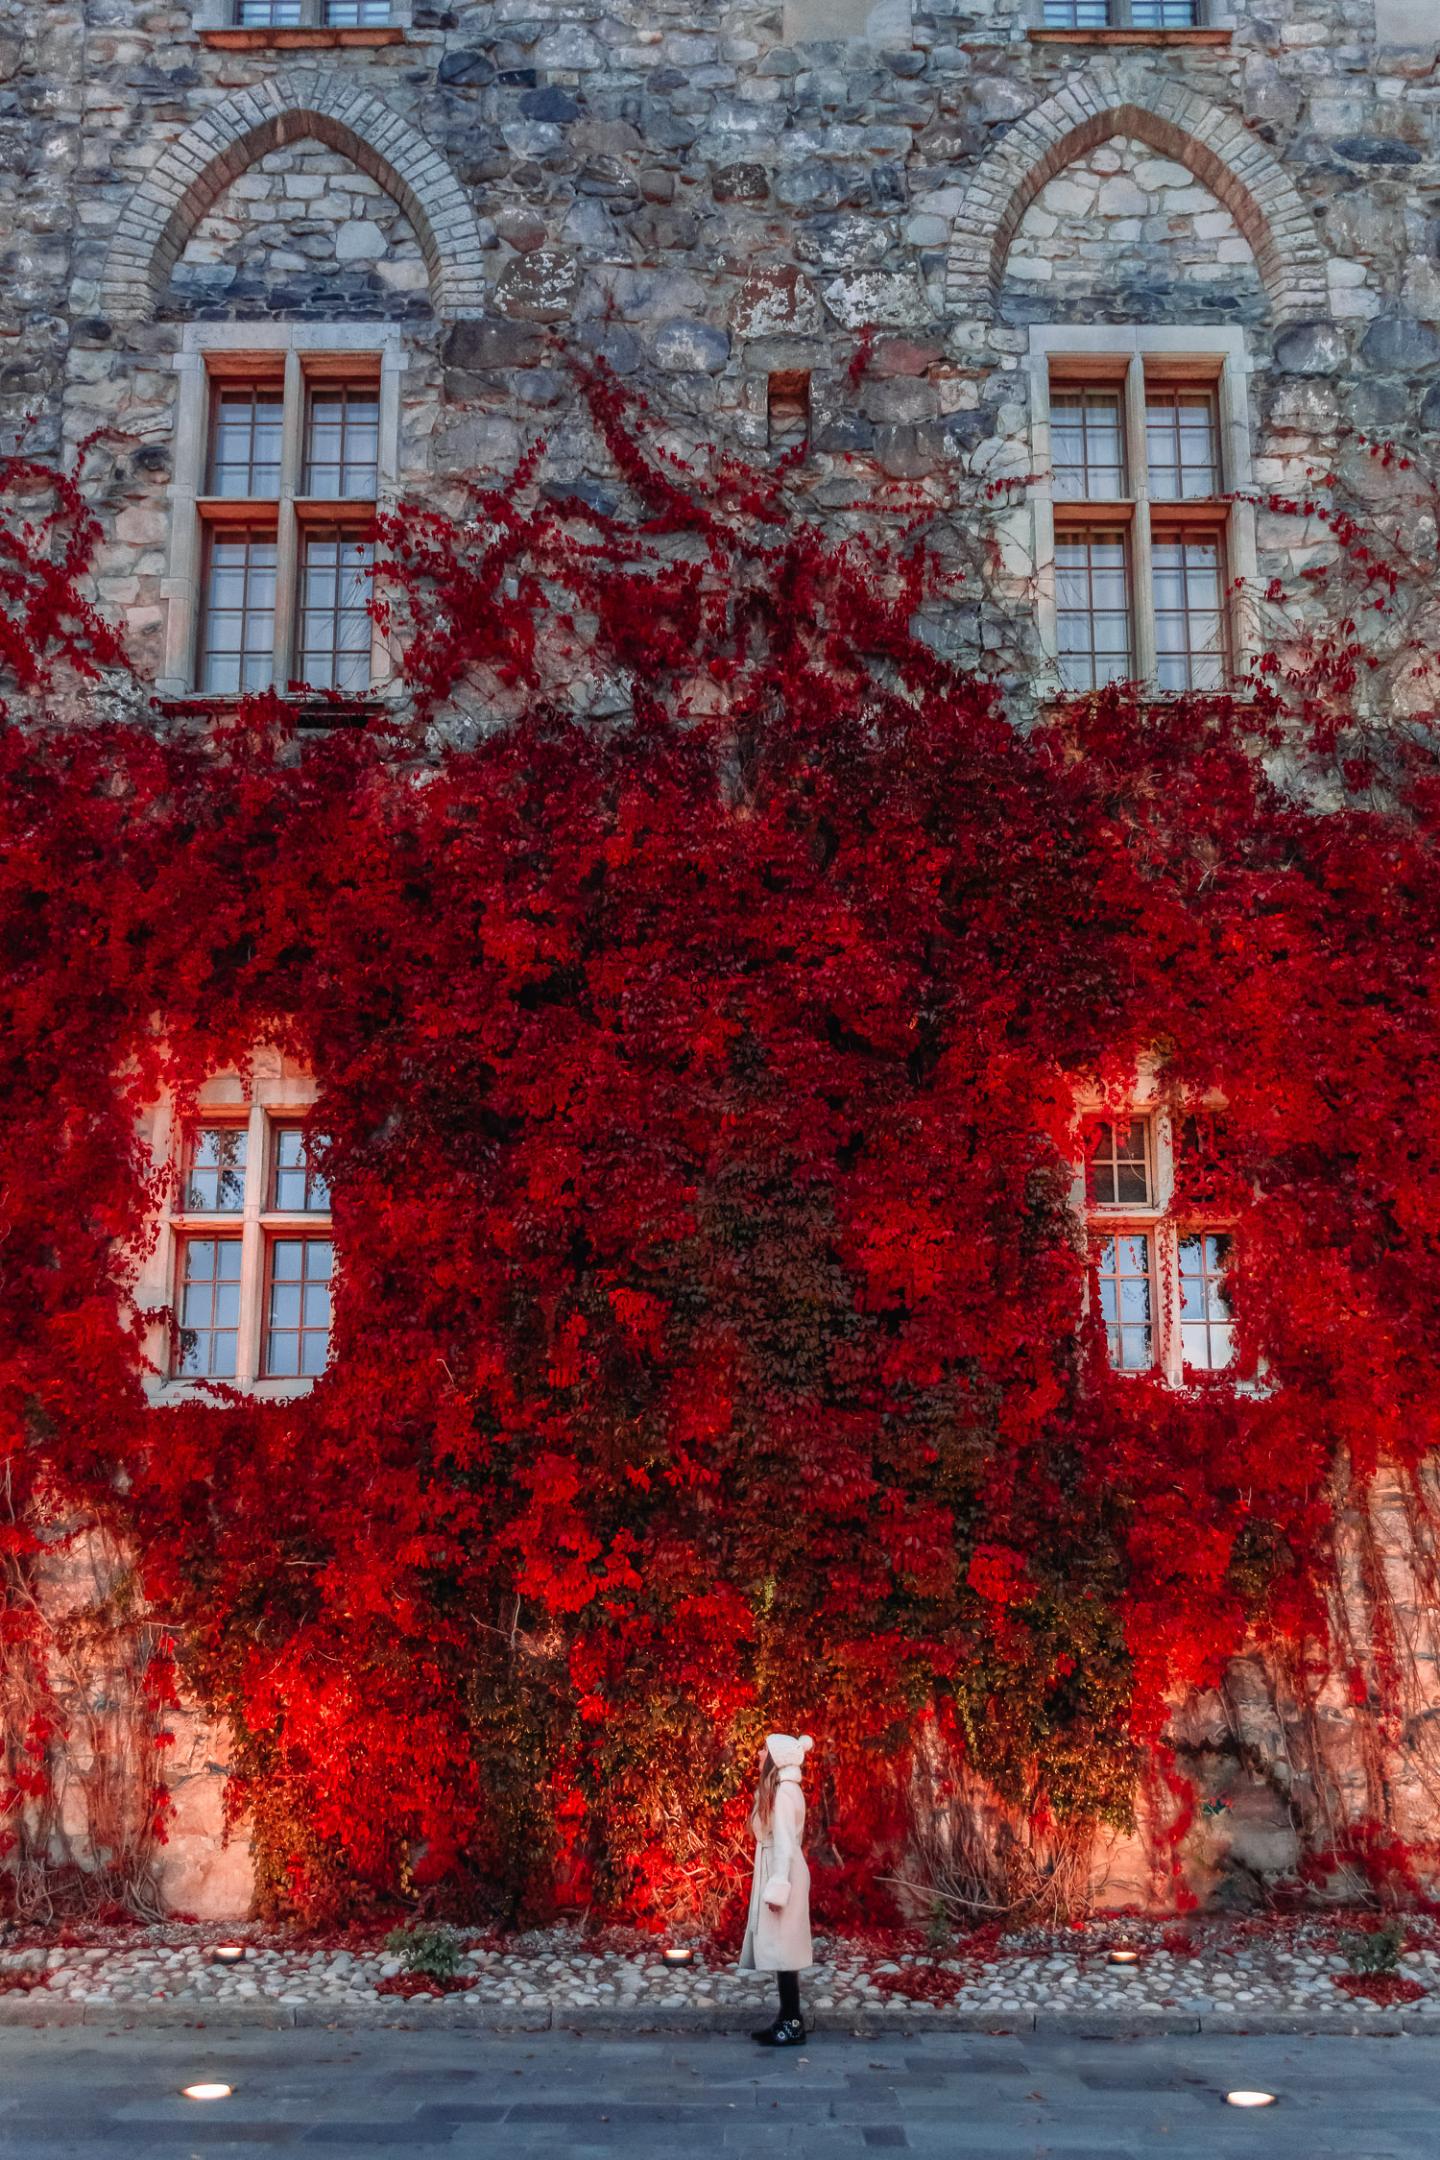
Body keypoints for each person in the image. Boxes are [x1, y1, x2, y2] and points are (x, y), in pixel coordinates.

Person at [738, 1731, 814, 2046]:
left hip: (782, 1870)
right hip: (781, 1867)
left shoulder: (784, 1793)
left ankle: (792, 2023)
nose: (758, 1756)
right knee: (784, 1951)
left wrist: (777, 1888)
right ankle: (786, 2019)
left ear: (774, 1759)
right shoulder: (784, 1790)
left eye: (762, 1751)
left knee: (785, 1952)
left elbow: (783, 1842)